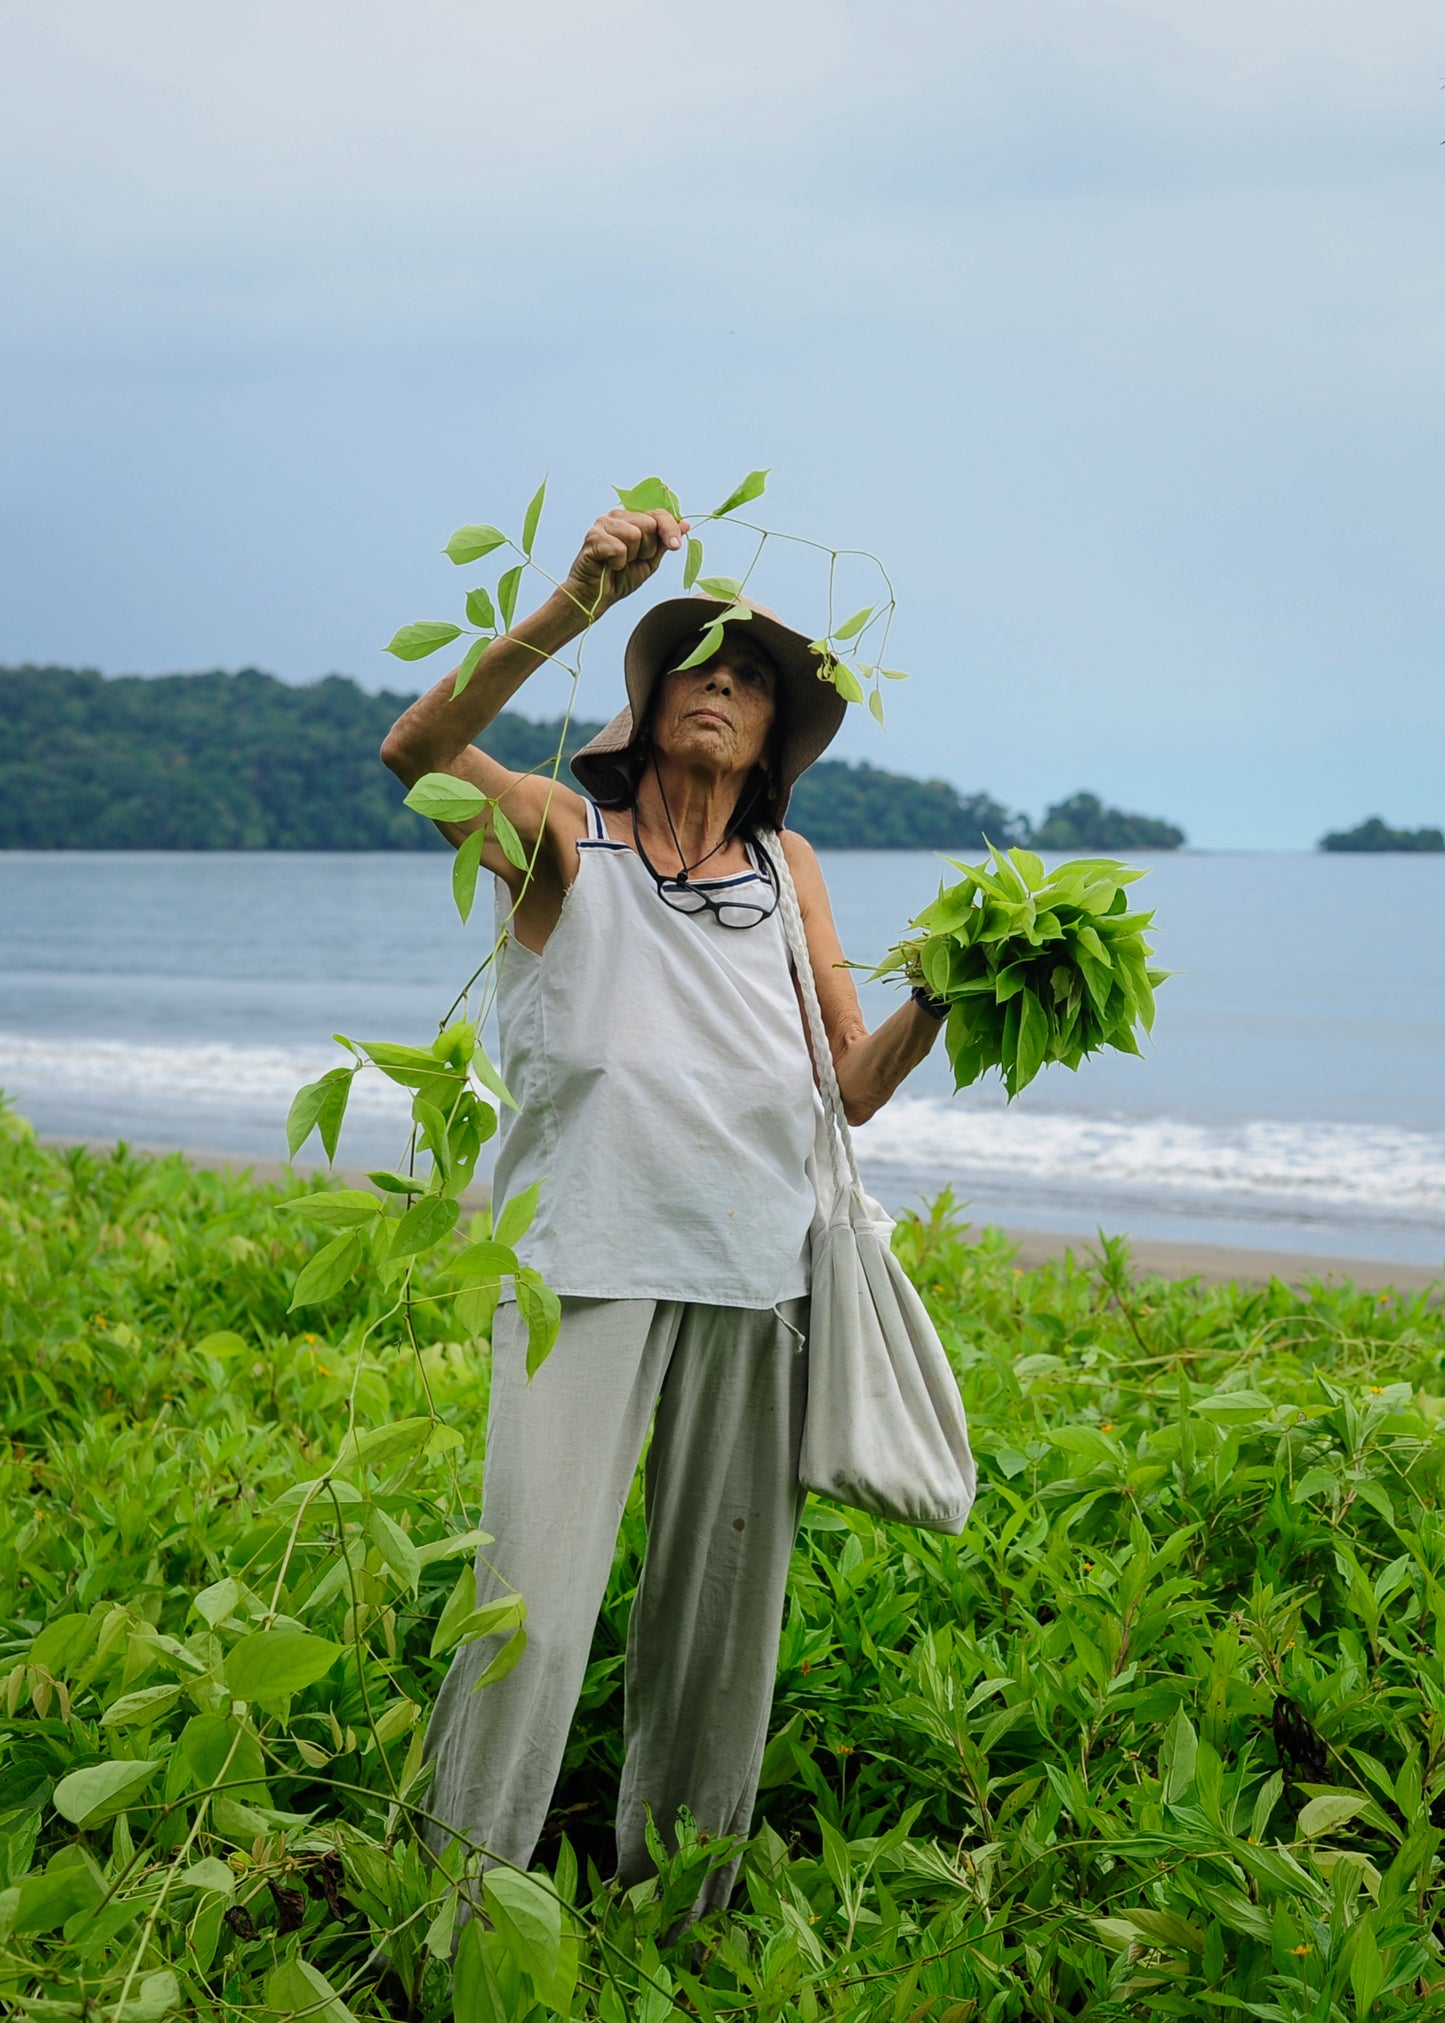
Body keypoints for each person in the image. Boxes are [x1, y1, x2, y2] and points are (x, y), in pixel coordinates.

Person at [380, 504, 948, 1918]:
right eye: (694, 661)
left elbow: (852, 1086)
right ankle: (449, 1903)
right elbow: (415, 758)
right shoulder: (567, 841)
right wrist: (572, 601)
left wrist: (945, 991)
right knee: (529, 1602)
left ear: (770, 739)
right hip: (582, 1265)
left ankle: (675, 1910)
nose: (719, 684)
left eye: (748, 679)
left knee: (717, 1624)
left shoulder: (784, 872)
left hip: (757, 1276)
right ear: (640, 704)